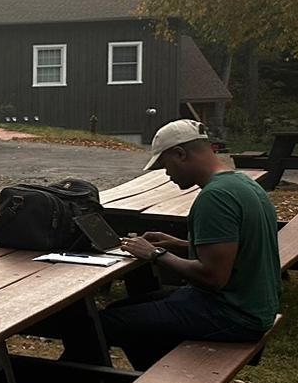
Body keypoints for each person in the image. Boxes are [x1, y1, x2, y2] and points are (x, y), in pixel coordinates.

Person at [104, 119, 281, 370]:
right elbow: (238, 248)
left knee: (107, 324)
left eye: (165, 165)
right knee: (123, 308)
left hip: (234, 314)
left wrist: (156, 253)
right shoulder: (242, 184)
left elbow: (213, 278)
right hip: (251, 305)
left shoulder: (215, 197)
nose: (167, 173)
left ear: (180, 154)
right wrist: (178, 243)